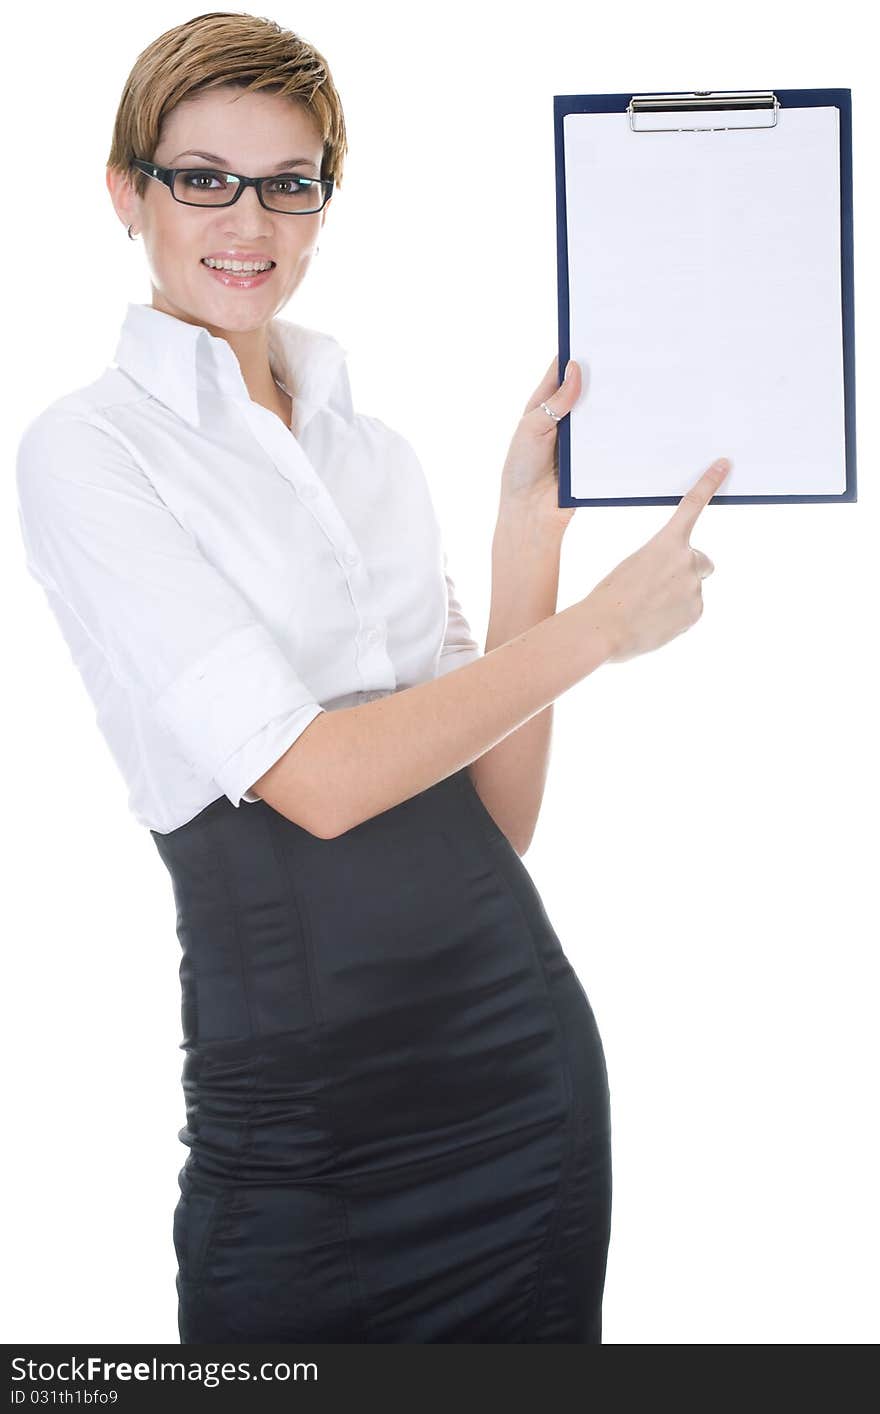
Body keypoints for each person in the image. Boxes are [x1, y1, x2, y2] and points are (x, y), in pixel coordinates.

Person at [14, 13, 729, 1344]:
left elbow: (493, 821)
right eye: (203, 176)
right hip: (302, 1148)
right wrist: (604, 631)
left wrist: (532, 538)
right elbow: (323, 785)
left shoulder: (374, 451)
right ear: (128, 191)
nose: (250, 220)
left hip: (522, 1092)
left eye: (291, 182)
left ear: (325, 202)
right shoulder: (86, 451)